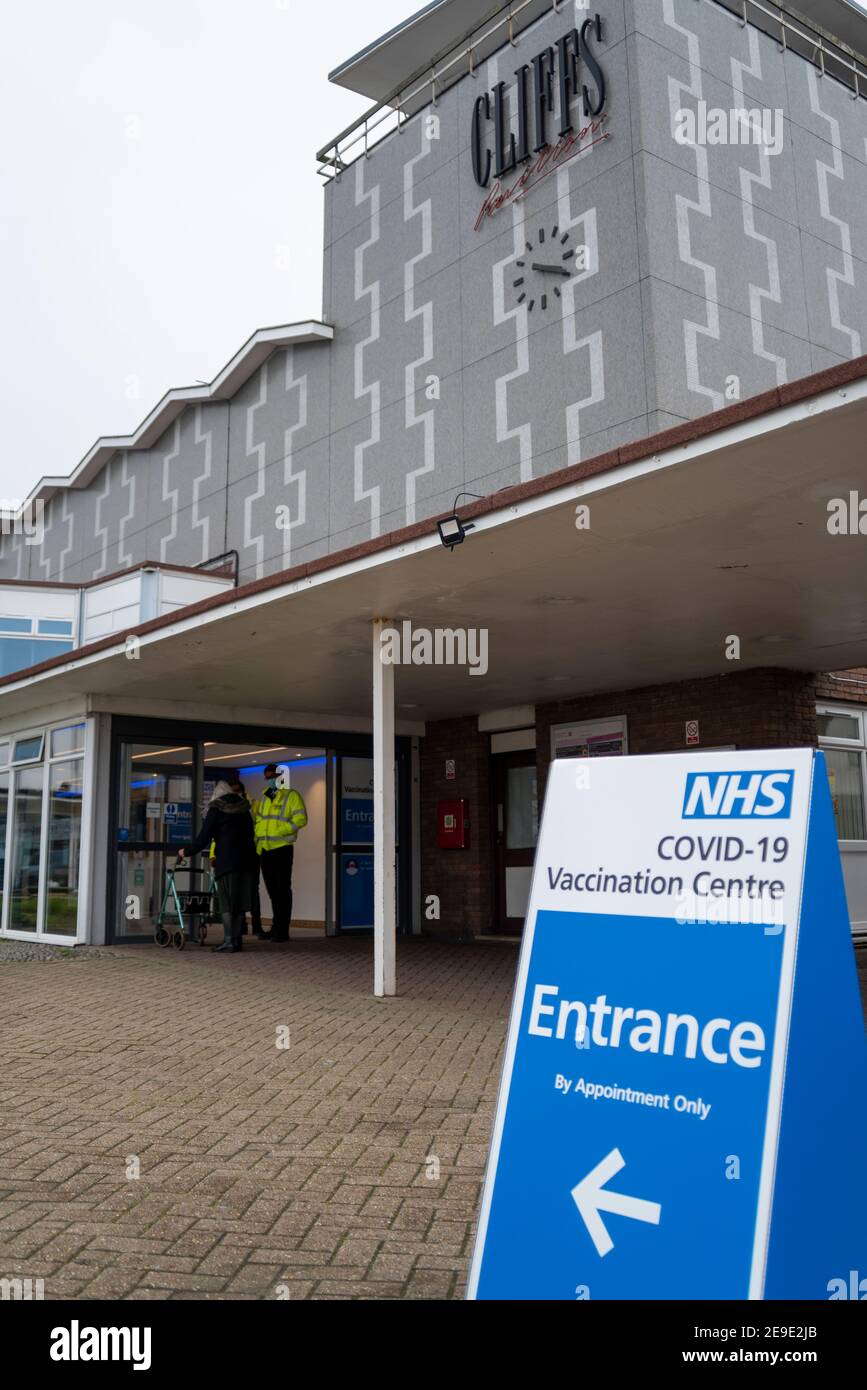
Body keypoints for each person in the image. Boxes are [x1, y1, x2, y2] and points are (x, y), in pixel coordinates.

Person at [178, 769, 256, 954]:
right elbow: (251, 834)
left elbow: (204, 837)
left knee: (227, 902)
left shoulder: (216, 808)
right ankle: (237, 941)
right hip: (247, 861)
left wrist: (186, 851)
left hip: (227, 862)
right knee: (240, 901)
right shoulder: (245, 809)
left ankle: (229, 941)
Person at [251, 762, 307, 942]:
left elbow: (301, 819)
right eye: (267, 778)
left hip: (281, 849)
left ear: (280, 777)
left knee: (282, 891)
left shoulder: (291, 796)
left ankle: (282, 930)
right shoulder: (266, 797)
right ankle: (276, 927)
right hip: (265, 850)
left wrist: (279, 831)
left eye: (272, 777)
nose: (270, 781)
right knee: (273, 891)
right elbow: (260, 822)